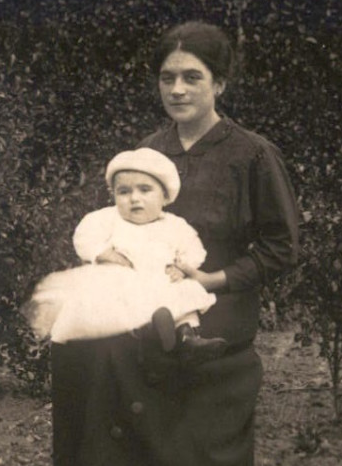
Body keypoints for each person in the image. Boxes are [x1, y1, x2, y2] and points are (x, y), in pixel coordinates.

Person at [42, 21, 299, 466]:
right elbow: (115, 222)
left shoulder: (251, 154)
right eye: (167, 78)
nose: (177, 89)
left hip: (215, 295)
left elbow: (283, 247)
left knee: (135, 346)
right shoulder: (150, 151)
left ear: (219, 83)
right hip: (142, 287)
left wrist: (216, 277)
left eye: (192, 77)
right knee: (73, 339)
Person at [22, 147, 226, 359]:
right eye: (124, 191)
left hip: (161, 280)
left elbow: (193, 248)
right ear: (114, 195)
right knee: (115, 306)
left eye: (145, 190)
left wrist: (181, 268)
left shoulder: (175, 225)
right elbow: (84, 237)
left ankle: (187, 337)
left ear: (165, 197)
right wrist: (102, 253)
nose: (134, 198)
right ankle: (147, 334)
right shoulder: (106, 219)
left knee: (183, 293)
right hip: (120, 281)